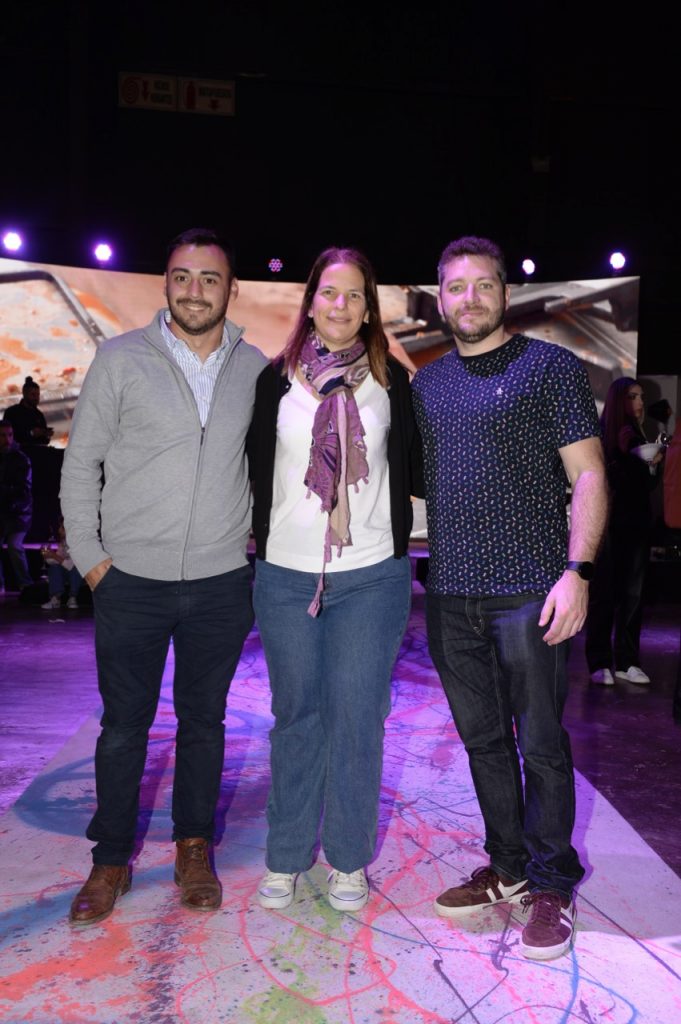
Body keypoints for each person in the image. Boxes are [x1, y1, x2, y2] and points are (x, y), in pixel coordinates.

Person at [60, 227, 267, 927]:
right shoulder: (120, 358)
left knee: (204, 722)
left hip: (219, 582)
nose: (194, 291)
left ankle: (193, 848)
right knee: (124, 727)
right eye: (182, 276)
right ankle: (111, 858)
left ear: (230, 288)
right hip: (130, 580)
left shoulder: (254, 368)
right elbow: (81, 463)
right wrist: (92, 559)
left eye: (209, 278)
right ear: (166, 284)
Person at [411, 236, 607, 961]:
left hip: (530, 589)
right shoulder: (426, 385)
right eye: (456, 286)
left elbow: (589, 474)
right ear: (440, 298)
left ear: (504, 292)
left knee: (542, 744)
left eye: (483, 285)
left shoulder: (549, 367)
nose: (470, 298)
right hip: (450, 593)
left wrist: (577, 571)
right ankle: (508, 866)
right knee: (483, 742)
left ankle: (551, 882)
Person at [247, 246, 422, 913]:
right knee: (297, 716)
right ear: (311, 301)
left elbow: (415, 470)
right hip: (287, 576)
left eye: (354, 294)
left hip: (371, 574)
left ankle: (348, 858)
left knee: (357, 716)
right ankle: (287, 855)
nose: (340, 305)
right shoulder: (275, 380)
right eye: (328, 292)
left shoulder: (391, 381)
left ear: (369, 307)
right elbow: (251, 468)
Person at [585, 378, 663, 686]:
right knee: (604, 594)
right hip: (607, 524)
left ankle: (627, 661)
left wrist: (652, 466)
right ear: (619, 400)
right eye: (633, 397)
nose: (640, 402)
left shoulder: (637, 434)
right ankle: (599, 661)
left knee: (634, 596)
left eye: (641, 396)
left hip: (637, 525)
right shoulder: (605, 434)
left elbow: (648, 485)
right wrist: (628, 458)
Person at [0, 420, 33, 594]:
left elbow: (23, 491)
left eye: (10, 435)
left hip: (18, 512)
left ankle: (26, 585)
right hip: (4, 511)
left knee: (14, 546)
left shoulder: (20, 459)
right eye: (3, 435)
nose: (7, 439)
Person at [40, 518, 83, 609]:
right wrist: (47, 556)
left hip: (80, 574)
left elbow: (71, 565)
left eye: (62, 527)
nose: (59, 530)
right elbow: (57, 560)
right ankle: (55, 599)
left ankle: (72, 597)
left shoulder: (78, 543)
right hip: (67, 572)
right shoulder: (63, 542)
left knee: (76, 567)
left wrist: (53, 555)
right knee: (54, 567)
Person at [2, 377, 53, 446]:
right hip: (19, 451)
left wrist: (46, 435)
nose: (36, 398)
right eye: (33, 395)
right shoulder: (12, 412)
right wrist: (31, 433)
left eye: (38, 395)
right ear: (24, 394)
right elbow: (7, 437)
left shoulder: (39, 414)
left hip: (38, 450)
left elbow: (44, 441)